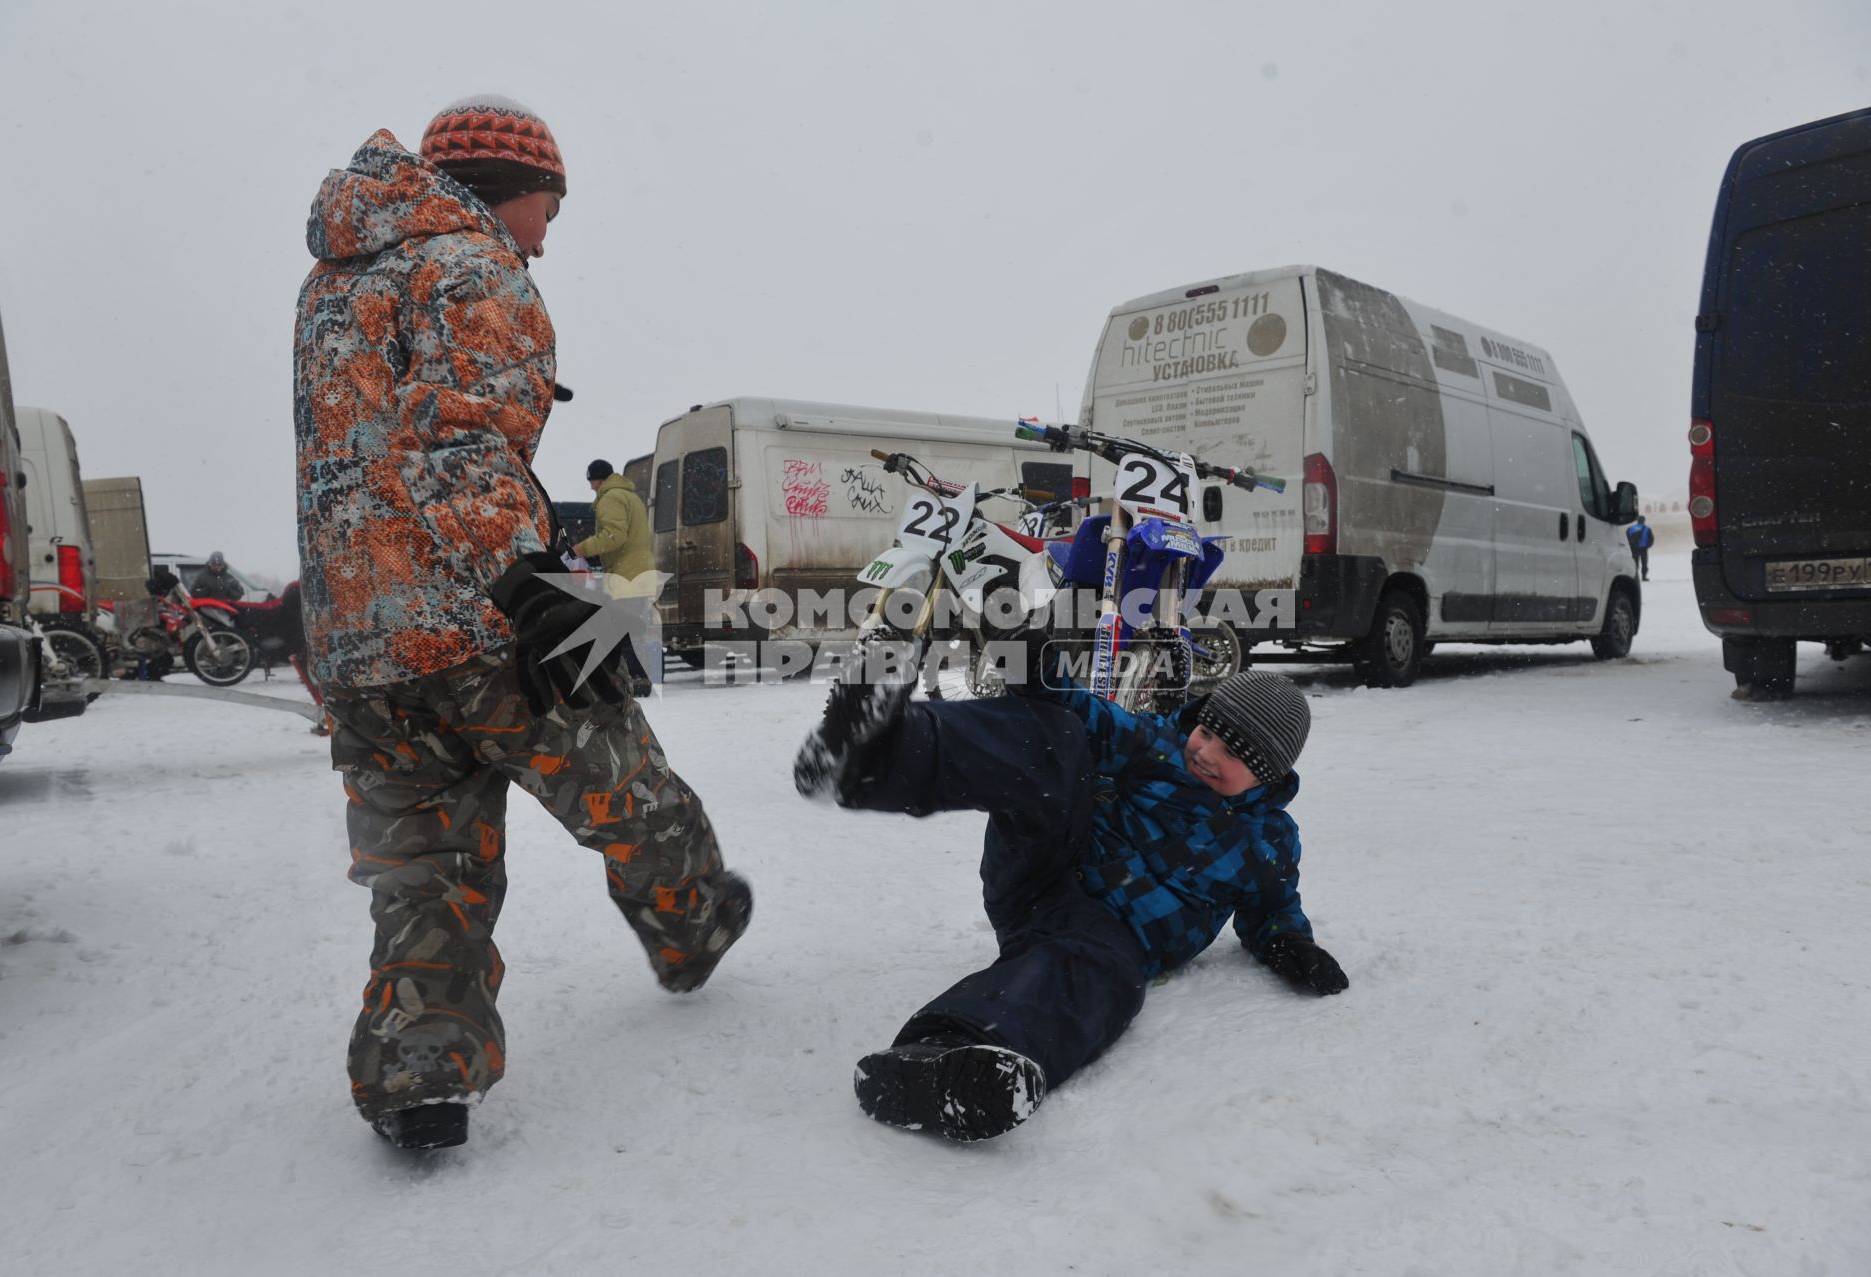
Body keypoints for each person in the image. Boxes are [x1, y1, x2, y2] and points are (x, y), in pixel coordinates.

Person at [294, 95, 751, 1151]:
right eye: (553, 203)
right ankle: (696, 923)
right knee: (629, 785)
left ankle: (419, 1058)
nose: (550, 230)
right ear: (516, 189)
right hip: (474, 621)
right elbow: (455, 449)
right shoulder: (471, 263)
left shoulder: (330, 285)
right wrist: (529, 589)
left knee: (424, 867)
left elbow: (360, 460)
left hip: (363, 641)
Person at [794, 656, 1347, 1142]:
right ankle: (874, 755)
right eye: (1206, 731)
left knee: (1105, 974)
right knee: (1058, 740)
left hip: (1114, 937)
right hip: (1045, 873)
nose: (1204, 751)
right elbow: (1086, 712)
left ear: (1267, 774)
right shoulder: (1156, 747)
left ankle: (944, 1057)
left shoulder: (1269, 843)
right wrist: (1038, 667)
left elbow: (1273, 906)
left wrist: (1288, 942)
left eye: (1231, 752)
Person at [575, 459, 656, 599]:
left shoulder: (610, 498)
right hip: (642, 575)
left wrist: (582, 549)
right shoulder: (632, 497)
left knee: (622, 620)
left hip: (625, 579)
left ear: (599, 481)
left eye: (591, 482)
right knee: (636, 620)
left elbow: (614, 536)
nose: (591, 487)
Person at [1626, 514, 1654, 581]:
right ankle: (1644, 577)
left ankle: (1635, 577)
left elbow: (1627, 538)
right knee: (1644, 563)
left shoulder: (1630, 528)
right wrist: (1647, 546)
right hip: (1643, 548)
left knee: (1635, 563)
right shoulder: (1647, 529)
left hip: (1634, 548)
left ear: (1637, 520)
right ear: (1644, 521)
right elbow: (1651, 539)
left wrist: (1631, 545)